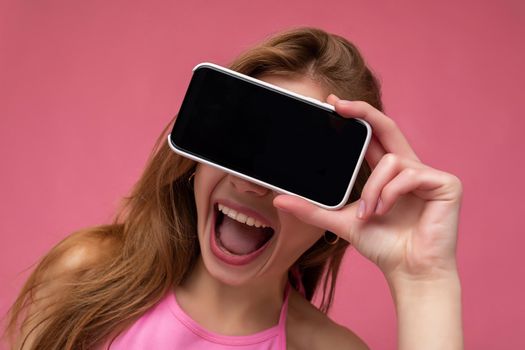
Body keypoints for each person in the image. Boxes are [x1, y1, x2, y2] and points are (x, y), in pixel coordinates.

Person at [4, 27, 463, 349]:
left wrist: (424, 281)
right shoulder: (83, 275)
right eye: (243, 144)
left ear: (338, 212)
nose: (250, 182)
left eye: (294, 164)